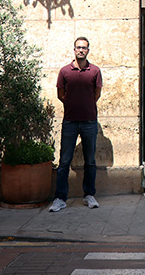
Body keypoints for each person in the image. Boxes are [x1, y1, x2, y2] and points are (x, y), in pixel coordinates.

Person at [50, 37, 103, 212]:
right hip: (70, 121)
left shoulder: (94, 70)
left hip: (89, 121)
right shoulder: (65, 71)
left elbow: (96, 94)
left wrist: (85, 105)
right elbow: (60, 94)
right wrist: (72, 104)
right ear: (74, 49)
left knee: (90, 161)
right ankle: (60, 198)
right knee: (64, 161)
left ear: (88, 50)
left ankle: (89, 195)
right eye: (78, 47)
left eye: (84, 48)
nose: (81, 50)